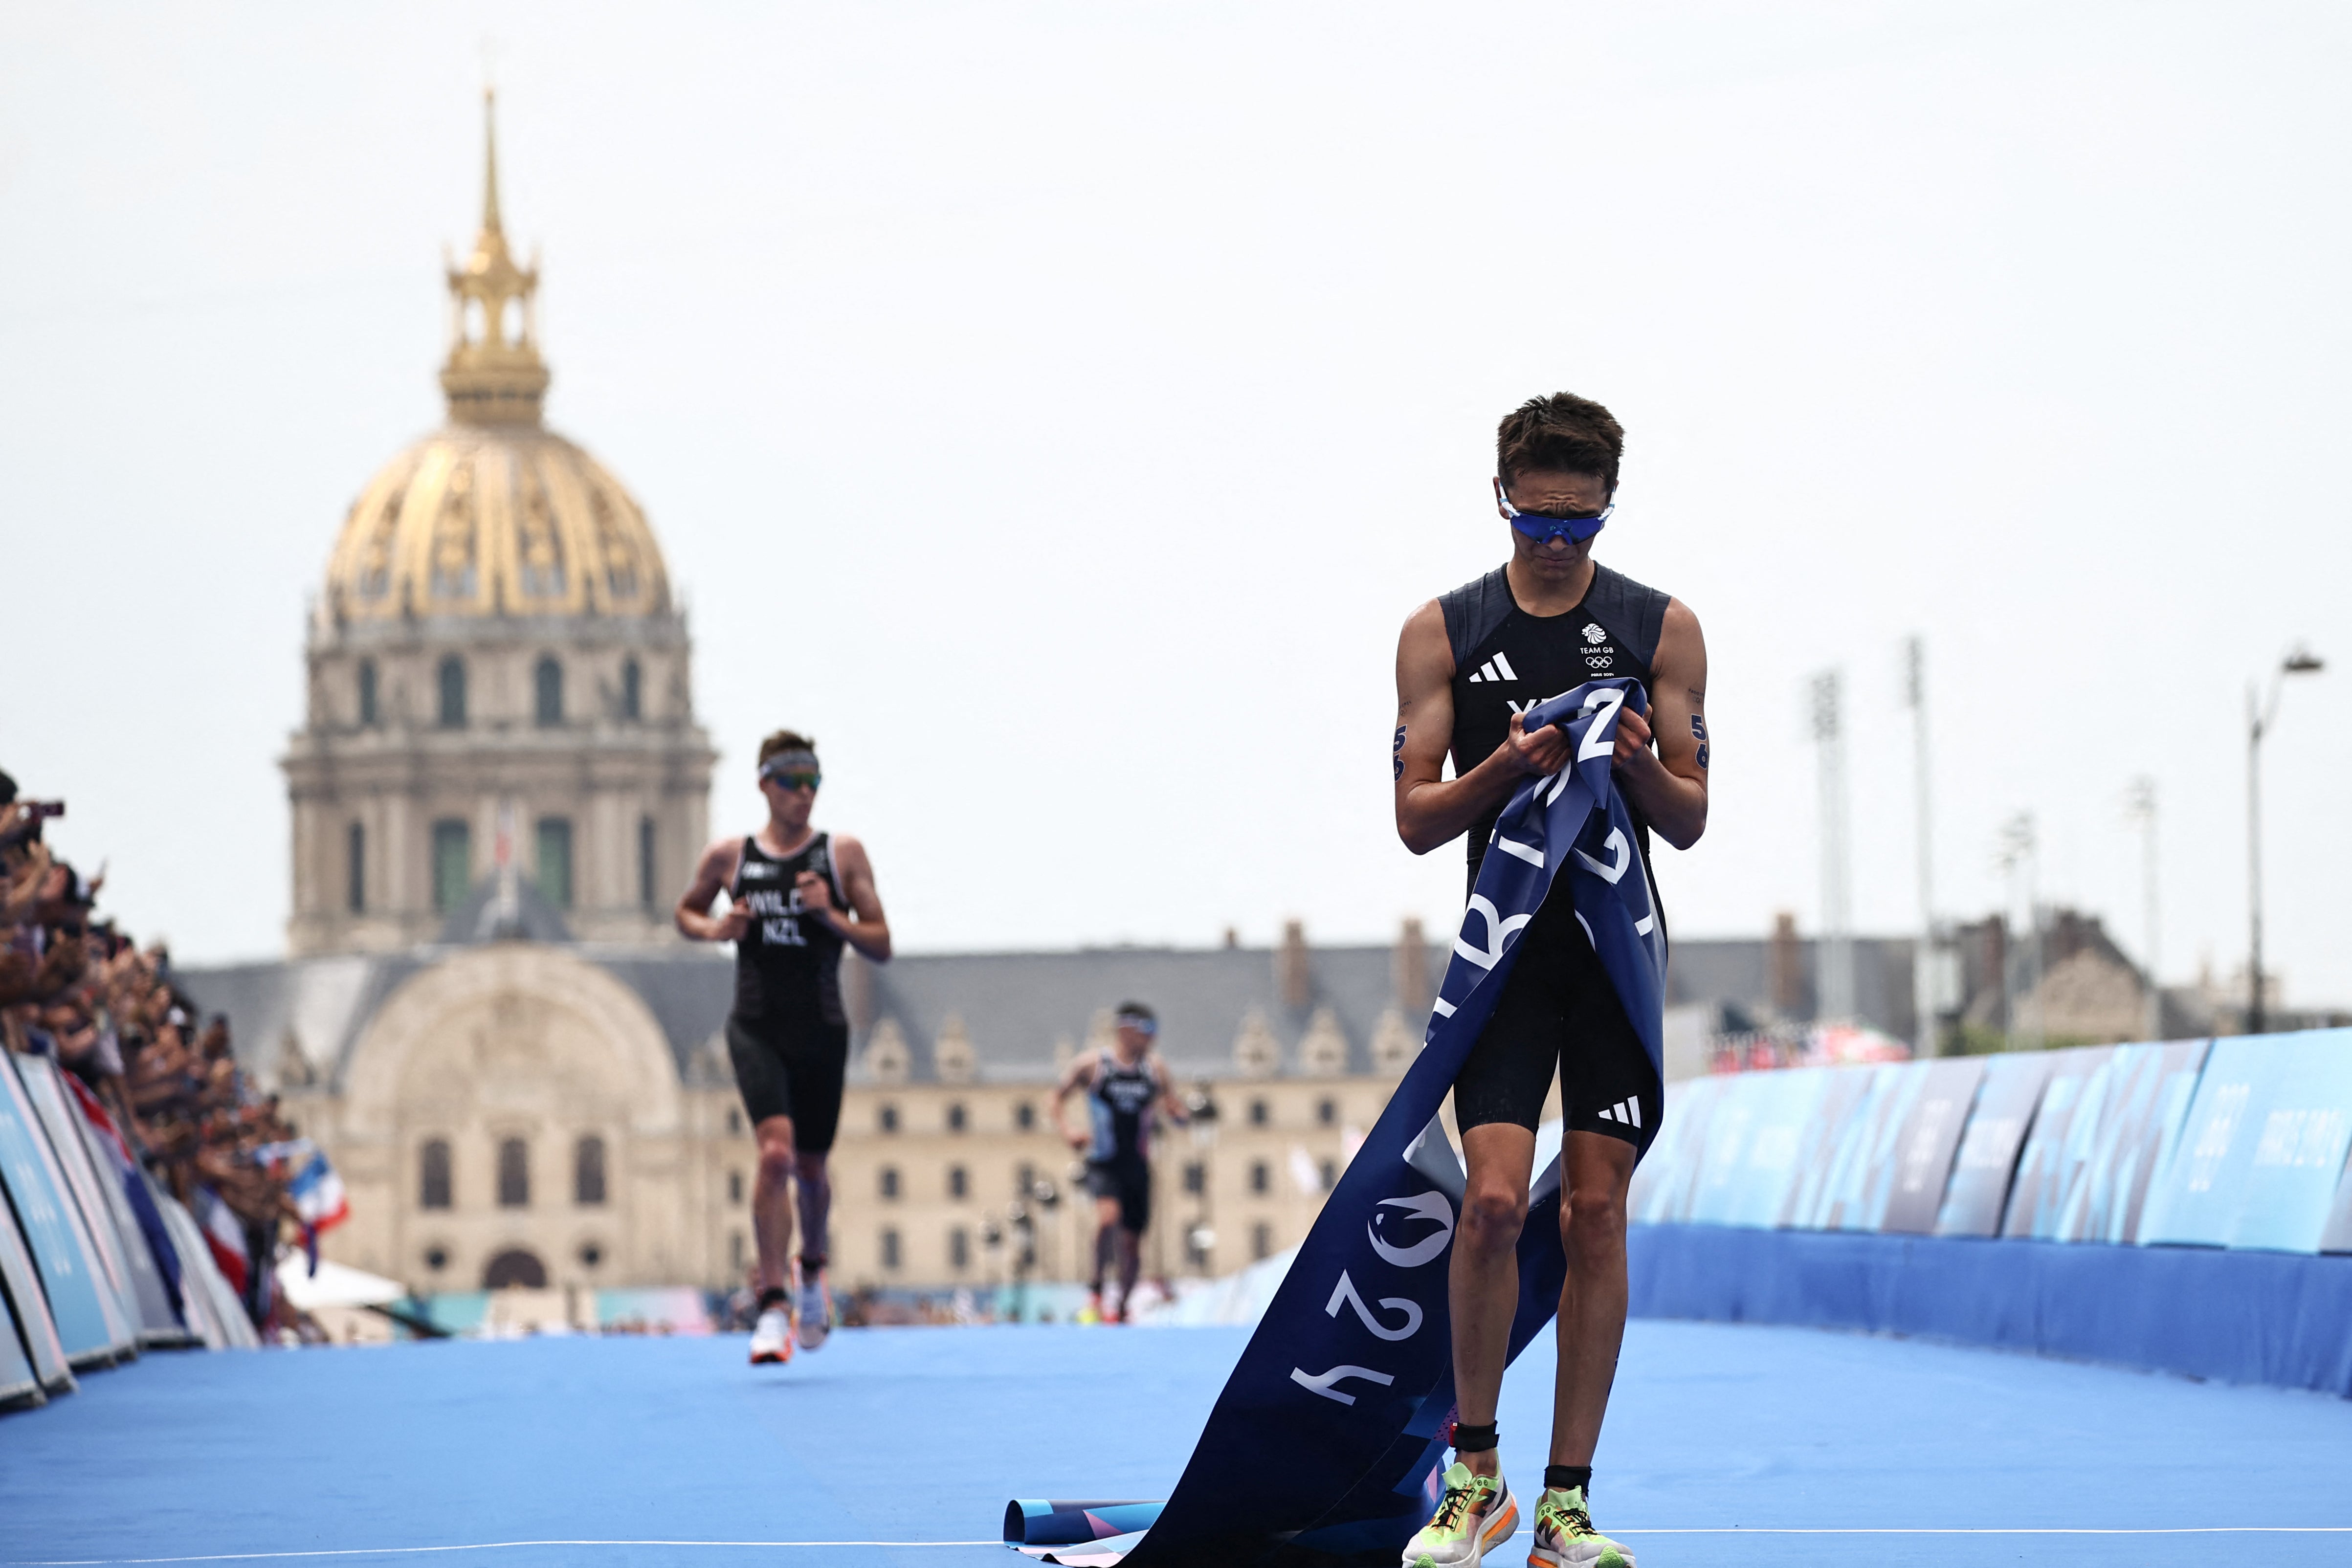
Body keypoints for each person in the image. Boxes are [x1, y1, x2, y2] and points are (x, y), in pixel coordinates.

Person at [1389, 394, 1709, 1568]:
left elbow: (1691, 816)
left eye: (1581, 525)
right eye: (1540, 520)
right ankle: (1476, 1478)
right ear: (1503, 498)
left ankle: (1567, 1502)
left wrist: (1637, 767)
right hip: (1509, 958)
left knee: (1594, 1213)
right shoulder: (1442, 631)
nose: (1559, 544)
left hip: (1614, 954)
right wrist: (1500, 770)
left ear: (1607, 509)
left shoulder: (1662, 629)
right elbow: (1416, 822)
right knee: (1487, 1205)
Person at [678, 730, 892, 1365]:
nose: (804, 793)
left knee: (811, 1170)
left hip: (822, 1027)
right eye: (793, 781)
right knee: (774, 1155)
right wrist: (718, 926)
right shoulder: (729, 857)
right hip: (755, 1025)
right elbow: (684, 912)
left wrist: (832, 916)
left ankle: (812, 1270)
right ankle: (772, 1302)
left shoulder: (841, 854)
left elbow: (880, 941)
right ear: (764, 783)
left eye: (814, 781)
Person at [1050, 1001, 1188, 1324]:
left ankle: (1123, 1306)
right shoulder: (1093, 1065)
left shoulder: (1155, 1069)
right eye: (1148, 1031)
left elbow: (1173, 1105)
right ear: (1126, 1029)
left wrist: (1182, 1116)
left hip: (1137, 1165)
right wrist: (1068, 1129)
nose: (1153, 1039)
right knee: (1107, 1219)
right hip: (1104, 1161)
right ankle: (1097, 1288)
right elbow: (1056, 1097)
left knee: (1132, 1243)